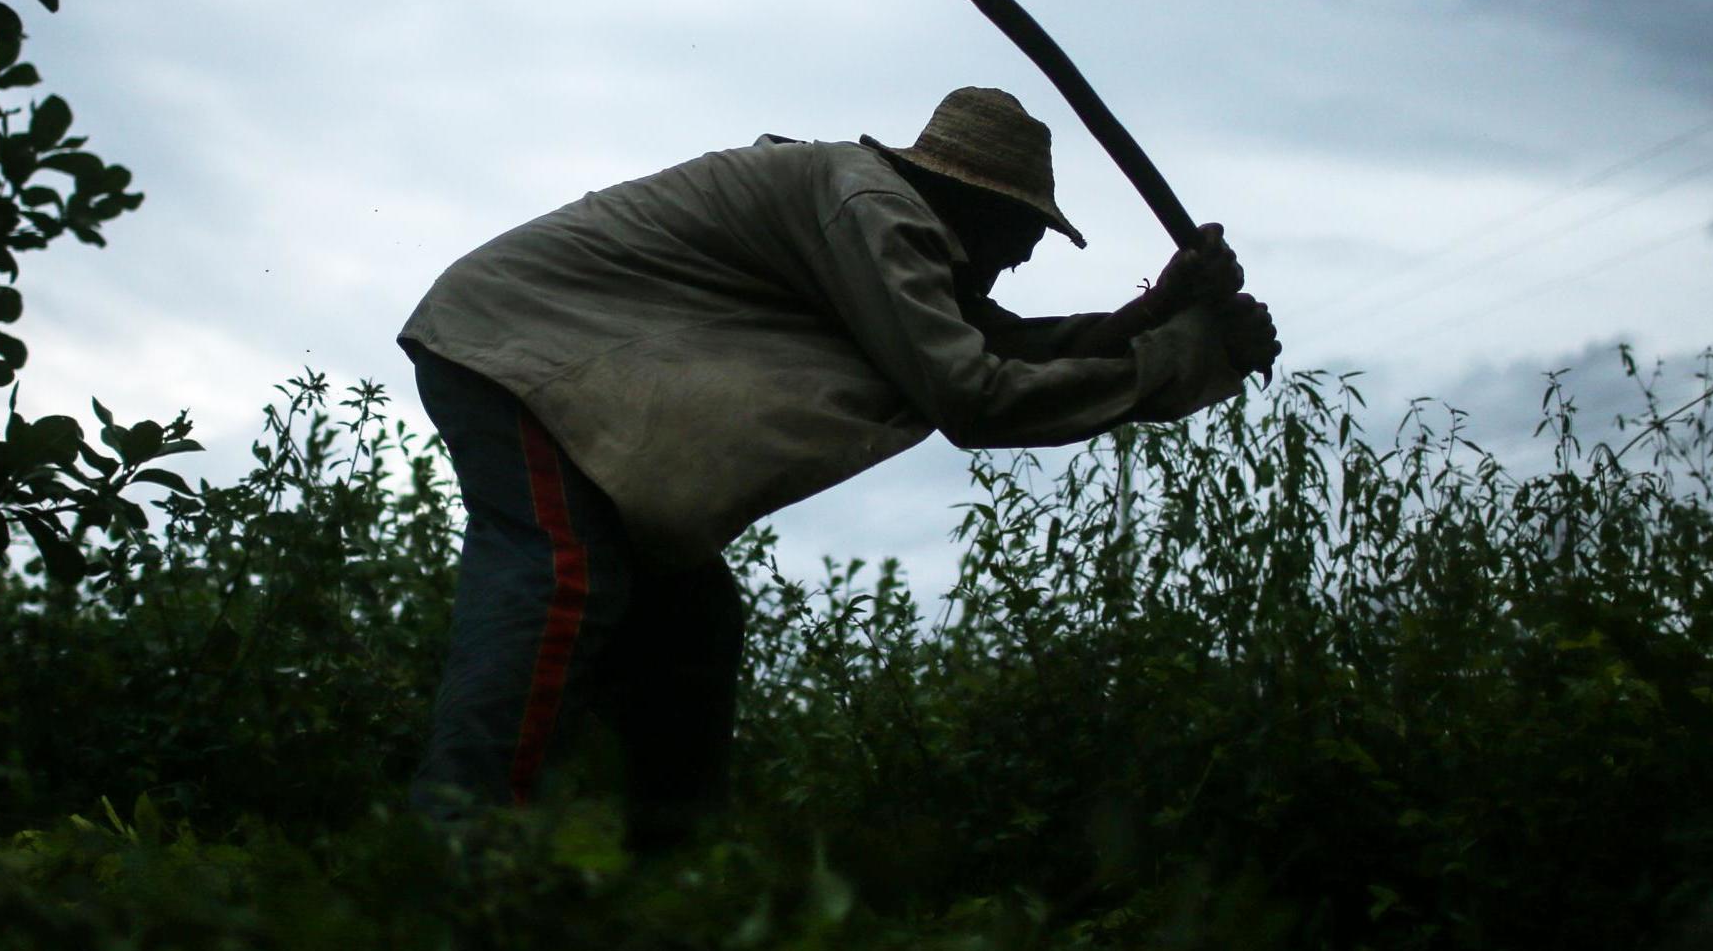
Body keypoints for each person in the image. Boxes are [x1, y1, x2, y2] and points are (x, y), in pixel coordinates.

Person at [396, 85, 1278, 850]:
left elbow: (996, 345)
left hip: (554, 376)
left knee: (690, 630)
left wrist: (1163, 318)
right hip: (521, 357)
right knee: (563, 578)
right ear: (975, 205)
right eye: (1024, 234)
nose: (1024, 257)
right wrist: (1183, 359)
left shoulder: (886, 230)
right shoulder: (874, 210)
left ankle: (665, 899)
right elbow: (975, 392)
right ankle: (463, 857)